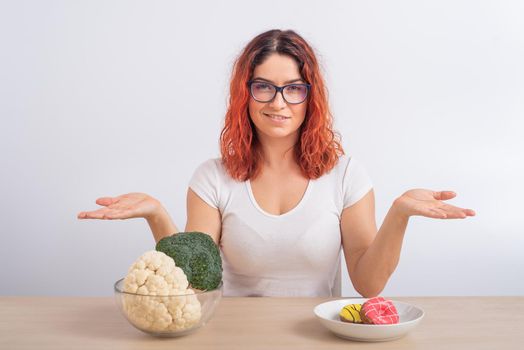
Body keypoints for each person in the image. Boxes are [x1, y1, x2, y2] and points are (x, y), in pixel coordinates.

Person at [77, 29, 475, 297]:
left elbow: (368, 284)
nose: (278, 102)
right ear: (244, 95)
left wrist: (400, 213)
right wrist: (156, 216)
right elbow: (195, 282)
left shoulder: (347, 175)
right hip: (233, 336)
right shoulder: (212, 178)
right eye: (264, 87)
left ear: (310, 97)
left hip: (319, 336)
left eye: (293, 89)